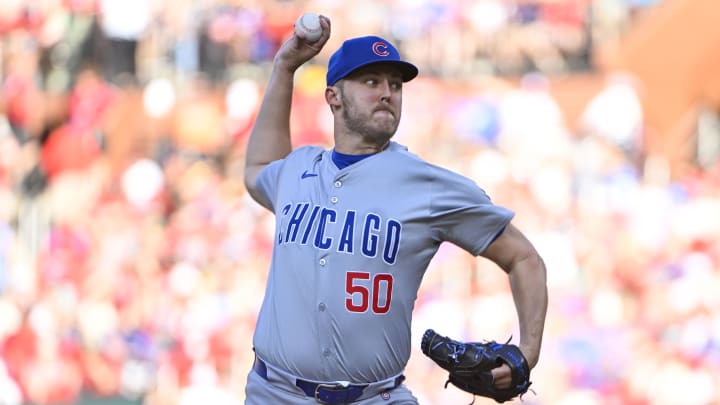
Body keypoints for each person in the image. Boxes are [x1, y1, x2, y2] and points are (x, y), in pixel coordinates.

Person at [243, 15, 548, 405]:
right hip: (276, 394)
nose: (387, 92)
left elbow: (524, 257)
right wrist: (284, 67)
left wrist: (528, 352)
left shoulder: (429, 185)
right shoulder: (299, 169)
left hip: (377, 397)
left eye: (395, 84)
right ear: (333, 96)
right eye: (371, 82)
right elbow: (256, 170)